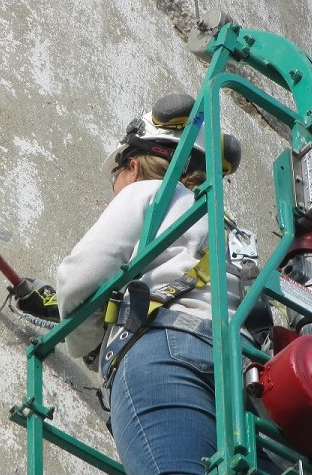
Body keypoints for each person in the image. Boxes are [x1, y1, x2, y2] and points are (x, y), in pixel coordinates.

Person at [55, 94, 274, 475]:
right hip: (248, 377)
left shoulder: (150, 193)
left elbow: (79, 281)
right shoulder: (232, 233)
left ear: (134, 166)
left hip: (166, 356)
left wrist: (84, 345)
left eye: (116, 177)